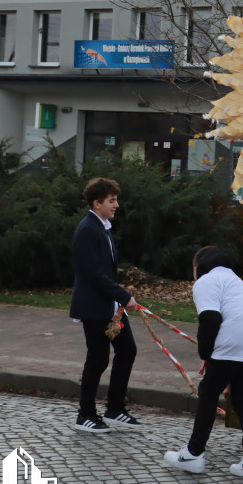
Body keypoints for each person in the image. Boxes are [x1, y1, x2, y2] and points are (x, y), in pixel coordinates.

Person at [164, 246, 243, 476]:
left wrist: (206, 355)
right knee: (240, 397)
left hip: (235, 340)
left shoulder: (205, 282)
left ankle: (194, 454)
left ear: (197, 269)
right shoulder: (236, 282)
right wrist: (213, 355)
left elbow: (210, 319)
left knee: (207, 391)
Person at [69, 177, 141, 433]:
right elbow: (93, 274)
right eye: (112, 201)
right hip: (94, 308)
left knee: (127, 350)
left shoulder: (103, 227)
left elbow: (106, 272)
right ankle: (85, 414)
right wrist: (123, 295)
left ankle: (115, 409)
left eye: (116, 200)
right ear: (97, 203)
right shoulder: (88, 229)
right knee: (98, 359)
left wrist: (119, 298)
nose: (117, 205)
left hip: (111, 308)